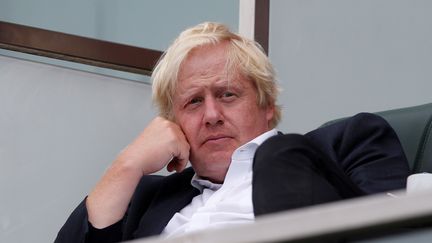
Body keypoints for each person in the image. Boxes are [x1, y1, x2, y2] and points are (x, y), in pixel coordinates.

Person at [55, 22, 410, 243]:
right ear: (172, 123)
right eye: (193, 102)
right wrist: (128, 164)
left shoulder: (347, 143)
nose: (211, 115)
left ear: (266, 103)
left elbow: (398, 234)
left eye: (228, 94)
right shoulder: (149, 199)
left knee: (279, 159)